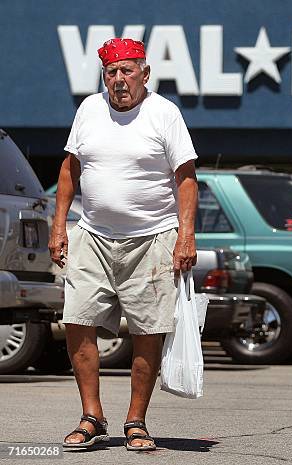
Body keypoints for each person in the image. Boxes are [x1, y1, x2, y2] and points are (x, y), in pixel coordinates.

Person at [49, 38, 199, 451]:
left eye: (127, 71)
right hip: (92, 235)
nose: (119, 80)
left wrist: (185, 235)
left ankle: (136, 420)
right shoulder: (89, 110)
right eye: (111, 72)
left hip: (153, 238)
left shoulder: (164, 114)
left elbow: (186, 178)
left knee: (148, 330)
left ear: (144, 73)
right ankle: (91, 416)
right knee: (77, 321)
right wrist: (59, 226)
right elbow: (69, 169)